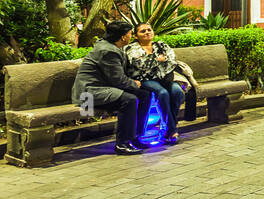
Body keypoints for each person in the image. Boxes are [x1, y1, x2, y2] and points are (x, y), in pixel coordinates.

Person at [72, 19, 148, 155]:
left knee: (144, 95)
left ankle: (135, 136)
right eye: (130, 33)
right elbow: (118, 80)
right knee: (129, 100)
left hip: (102, 88)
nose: (131, 36)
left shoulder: (111, 46)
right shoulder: (108, 51)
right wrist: (134, 83)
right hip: (88, 94)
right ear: (123, 36)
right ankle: (122, 144)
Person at [124, 22, 195, 144]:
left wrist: (152, 62)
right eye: (143, 31)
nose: (147, 32)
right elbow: (139, 64)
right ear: (136, 36)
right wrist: (158, 60)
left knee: (177, 92)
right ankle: (172, 130)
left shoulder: (161, 45)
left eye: (149, 30)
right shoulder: (131, 48)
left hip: (165, 78)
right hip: (145, 80)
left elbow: (172, 61)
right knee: (162, 93)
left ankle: (167, 126)